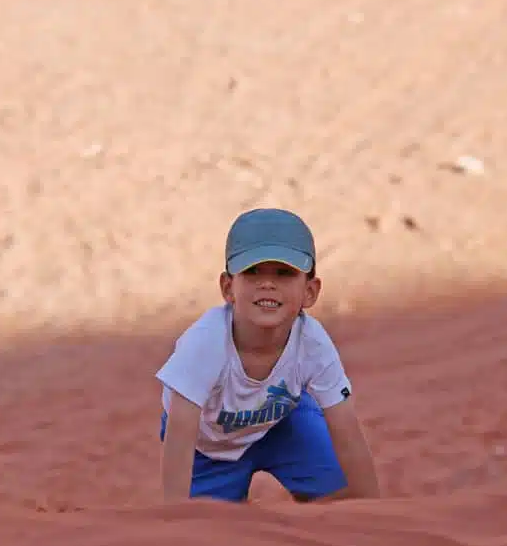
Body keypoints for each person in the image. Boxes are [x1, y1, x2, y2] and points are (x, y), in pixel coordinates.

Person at [155, 207, 383, 503]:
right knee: (206, 530)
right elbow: (180, 434)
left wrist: (373, 513)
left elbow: (347, 430)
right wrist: (177, 516)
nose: (267, 283)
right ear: (228, 287)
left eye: (284, 273)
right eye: (252, 271)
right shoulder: (205, 342)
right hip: (207, 445)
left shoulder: (312, 342)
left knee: (344, 498)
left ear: (310, 291)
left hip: (282, 424)